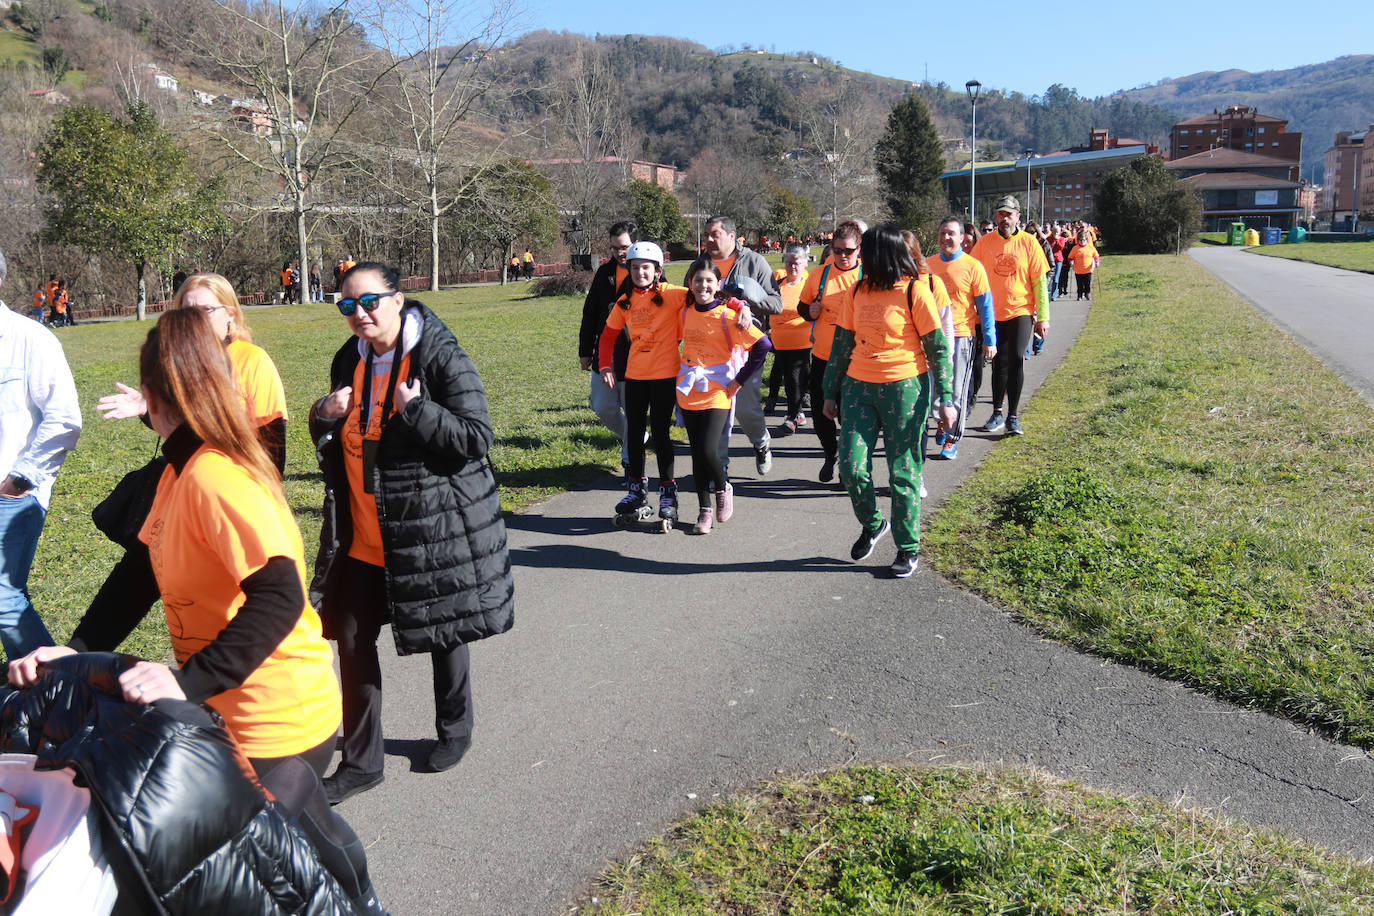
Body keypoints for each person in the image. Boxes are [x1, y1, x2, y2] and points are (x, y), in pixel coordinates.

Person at [7, 308, 388, 915]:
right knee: (308, 840)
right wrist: (73, 650)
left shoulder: (218, 477)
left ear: (154, 398)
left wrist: (186, 680)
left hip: (277, 719)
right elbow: (139, 574)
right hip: (232, 712)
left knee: (258, 871)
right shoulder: (176, 472)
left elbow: (281, 595)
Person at [310, 261, 514, 804]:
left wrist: (418, 411)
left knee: (443, 631)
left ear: (399, 300)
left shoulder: (439, 355)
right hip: (361, 530)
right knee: (351, 640)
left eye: (370, 301)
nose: (360, 314)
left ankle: (455, 729)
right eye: (347, 306)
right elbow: (332, 436)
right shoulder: (345, 360)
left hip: (428, 523)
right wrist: (323, 414)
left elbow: (476, 438)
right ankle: (361, 762)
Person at [821, 226, 956, 579]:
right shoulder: (857, 292)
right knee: (850, 467)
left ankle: (907, 548)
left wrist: (947, 398)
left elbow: (938, 350)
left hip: (905, 389)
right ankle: (873, 523)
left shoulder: (915, 292)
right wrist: (829, 391)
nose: (860, 256)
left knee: (903, 472)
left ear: (884, 256)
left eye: (866, 251)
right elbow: (841, 345)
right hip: (858, 388)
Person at [97, 272, 289, 473]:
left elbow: (273, 446)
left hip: (239, 482)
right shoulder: (182, 363)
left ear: (230, 314)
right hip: (192, 476)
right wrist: (149, 408)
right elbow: (183, 433)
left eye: (207, 309)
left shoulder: (253, 360)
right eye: (188, 311)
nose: (196, 319)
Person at [0, 249, 81, 660]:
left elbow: (64, 420)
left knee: (2, 596)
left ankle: (61, 692)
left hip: (11, 494)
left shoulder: (30, 338)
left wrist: (18, 481)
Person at [676, 258, 770, 534]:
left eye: (709, 281)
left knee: (709, 450)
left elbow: (763, 345)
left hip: (719, 389)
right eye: (697, 280)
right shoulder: (684, 311)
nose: (703, 285)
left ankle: (723, 487)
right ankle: (704, 511)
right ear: (690, 283)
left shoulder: (729, 316)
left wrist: (740, 381)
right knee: (696, 454)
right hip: (689, 389)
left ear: (718, 285)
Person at [598, 241, 686, 525]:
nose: (640, 273)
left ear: (658, 270)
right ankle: (636, 490)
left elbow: (706, 295)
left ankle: (668, 492)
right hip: (635, 376)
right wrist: (604, 365)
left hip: (664, 376)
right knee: (634, 434)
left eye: (646, 268)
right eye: (634, 268)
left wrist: (739, 304)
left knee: (660, 435)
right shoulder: (625, 302)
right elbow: (608, 336)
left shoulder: (672, 295)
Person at [703, 216, 782, 477]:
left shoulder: (753, 262)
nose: (709, 239)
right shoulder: (700, 264)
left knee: (746, 407)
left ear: (732, 235)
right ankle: (720, 468)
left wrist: (750, 296)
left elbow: (776, 304)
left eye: (715, 234)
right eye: (707, 235)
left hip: (746, 347)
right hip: (712, 347)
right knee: (718, 408)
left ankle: (761, 442)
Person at [970, 195, 1050, 437]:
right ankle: (996, 412)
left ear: (1018, 217)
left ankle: (1013, 416)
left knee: (1016, 359)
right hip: (992, 313)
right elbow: (971, 274)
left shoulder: (1029, 243)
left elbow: (1039, 283)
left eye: (1009, 214)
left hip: (1021, 311)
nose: (1004, 218)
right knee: (998, 363)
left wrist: (1044, 317)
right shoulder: (984, 243)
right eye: (1000, 214)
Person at [799, 220, 864, 483]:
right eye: (838, 250)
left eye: (849, 251)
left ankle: (846, 469)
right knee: (820, 417)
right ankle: (830, 454)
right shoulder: (820, 274)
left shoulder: (867, 277)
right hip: (823, 357)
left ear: (859, 249)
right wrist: (809, 312)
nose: (843, 256)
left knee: (849, 418)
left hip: (855, 361)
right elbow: (803, 307)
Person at [928, 217, 995, 461]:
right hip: (932, 338)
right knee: (934, 389)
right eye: (942, 233)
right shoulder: (926, 265)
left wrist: (990, 339)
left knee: (957, 390)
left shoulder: (973, 266)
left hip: (962, 336)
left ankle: (951, 439)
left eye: (951, 234)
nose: (946, 238)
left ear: (961, 238)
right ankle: (942, 421)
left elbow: (985, 306)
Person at [578, 220, 636, 473]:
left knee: (632, 409)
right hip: (606, 350)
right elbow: (590, 312)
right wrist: (584, 350)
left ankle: (629, 459)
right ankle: (635, 439)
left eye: (623, 247)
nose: (619, 253)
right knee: (602, 406)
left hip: (636, 353)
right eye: (614, 248)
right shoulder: (604, 273)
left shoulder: (647, 270)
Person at [768, 244, 812, 436]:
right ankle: (800, 412)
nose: (792, 267)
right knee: (789, 378)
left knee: (794, 377)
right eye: (789, 263)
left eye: (796, 263)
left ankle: (791, 417)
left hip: (802, 339)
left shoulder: (808, 284)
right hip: (780, 340)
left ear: (804, 264)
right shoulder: (779, 283)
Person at [1070, 229, 1099, 300]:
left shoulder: (1090, 247)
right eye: (1080, 240)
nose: (1082, 241)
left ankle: (1087, 294)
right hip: (1078, 270)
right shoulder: (1075, 248)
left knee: (1087, 283)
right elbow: (1070, 257)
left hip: (1088, 269)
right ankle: (1079, 295)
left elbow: (1096, 256)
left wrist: (1097, 262)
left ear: (1086, 239)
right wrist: (1071, 261)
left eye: (1083, 240)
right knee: (1079, 284)